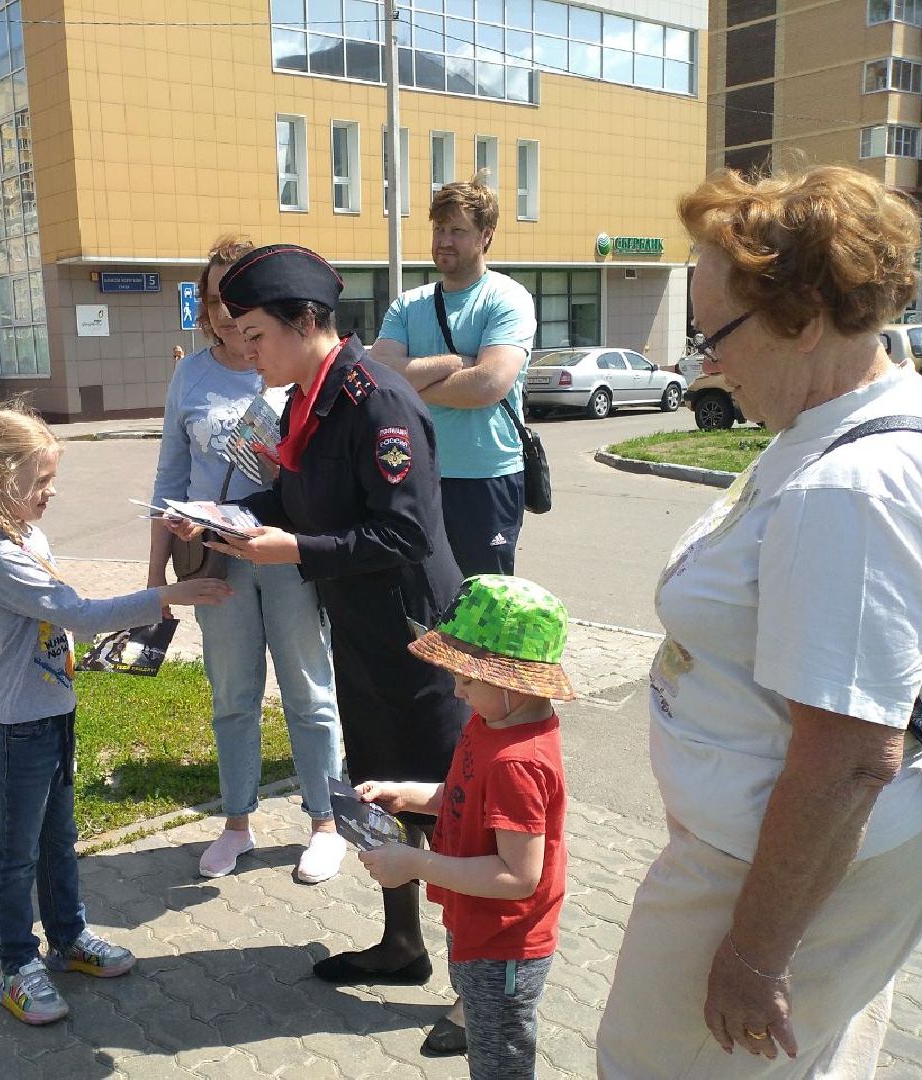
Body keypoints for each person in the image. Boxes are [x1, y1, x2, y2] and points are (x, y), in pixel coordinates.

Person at [598, 165, 922, 1076]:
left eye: (712, 333)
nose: (703, 363)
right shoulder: (843, 423)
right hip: (787, 860)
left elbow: (847, 759)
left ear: (804, 320)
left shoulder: (853, 489)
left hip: (774, 877)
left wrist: (756, 957)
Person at [169, 243, 470, 988]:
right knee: (372, 790)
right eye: (239, 338)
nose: (246, 351)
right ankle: (403, 944)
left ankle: (479, 986)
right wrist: (221, 523)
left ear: (307, 322)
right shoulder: (308, 398)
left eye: (257, 336)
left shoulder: (378, 401)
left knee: (443, 806)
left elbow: (407, 534)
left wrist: (293, 548)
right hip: (362, 633)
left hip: (415, 638)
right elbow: (296, 498)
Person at [0, 400, 231, 1026]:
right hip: (13, 723)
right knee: (16, 850)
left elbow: (60, 627)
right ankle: (16, 966)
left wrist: (91, 655)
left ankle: (68, 939)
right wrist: (167, 594)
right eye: (41, 481)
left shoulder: (29, 536)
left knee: (59, 838)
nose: (51, 492)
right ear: (3, 479)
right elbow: (77, 611)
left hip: (52, 710)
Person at [149, 234, 345, 883]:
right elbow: (169, 474)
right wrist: (156, 579)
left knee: (309, 692)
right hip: (214, 563)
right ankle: (237, 823)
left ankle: (325, 822)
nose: (228, 314)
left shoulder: (295, 365)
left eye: (239, 299)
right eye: (214, 300)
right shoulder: (191, 374)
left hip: (287, 554)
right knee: (232, 696)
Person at [358, 574, 574, 1080]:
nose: (455, 688)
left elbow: (519, 876)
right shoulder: (490, 723)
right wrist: (409, 795)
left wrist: (414, 862)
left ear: (511, 682)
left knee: (500, 1063)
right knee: (484, 1038)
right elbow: (463, 798)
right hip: (474, 925)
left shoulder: (518, 763)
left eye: (466, 677)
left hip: (505, 947)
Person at [371, 179, 537, 576]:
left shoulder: (507, 298)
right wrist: (456, 362)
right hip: (415, 475)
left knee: (483, 601)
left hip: (486, 476)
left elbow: (488, 385)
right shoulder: (409, 305)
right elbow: (380, 377)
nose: (444, 240)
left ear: (485, 235)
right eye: (439, 229)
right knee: (424, 602)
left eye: (457, 230)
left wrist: (411, 382)